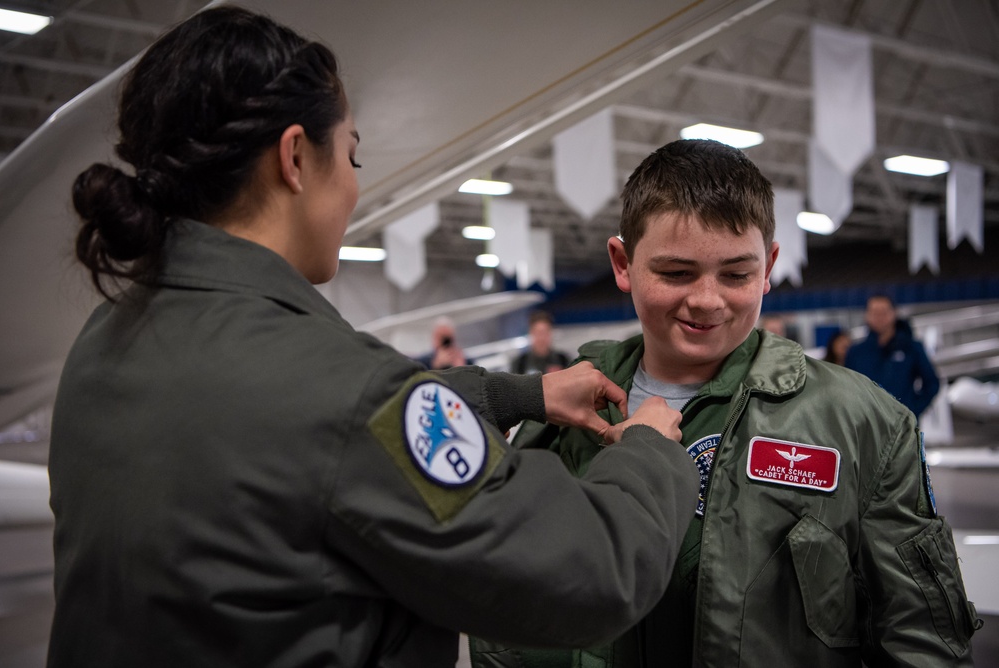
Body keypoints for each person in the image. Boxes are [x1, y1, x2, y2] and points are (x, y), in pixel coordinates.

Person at [45, 9, 702, 667]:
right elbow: (592, 570)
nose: (355, 183)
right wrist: (648, 449)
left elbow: (294, 428)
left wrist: (522, 395)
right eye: (352, 153)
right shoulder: (340, 392)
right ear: (295, 157)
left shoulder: (108, 336)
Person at [471, 139, 980, 667]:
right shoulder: (552, 421)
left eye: (736, 274)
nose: (707, 300)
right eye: (676, 273)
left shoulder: (865, 425)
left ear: (768, 267)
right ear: (623, 264)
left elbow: (921, 640)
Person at [845, 295, 941, 419]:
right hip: (867, 427)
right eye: (874, 312)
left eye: (884, 312)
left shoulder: (911, 347)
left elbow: (932, 383)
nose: (879, 317)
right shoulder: (856, 352)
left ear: (894, 313)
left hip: (901, 428)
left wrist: (913, 409)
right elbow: (847, 388)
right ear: (866, 315)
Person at [511, 310, 570, 374]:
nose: (542, 338)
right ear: (531, 333)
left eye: (545, 332)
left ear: (550, 333)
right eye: (538, 333)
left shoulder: (563, 360)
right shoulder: (520, 363)